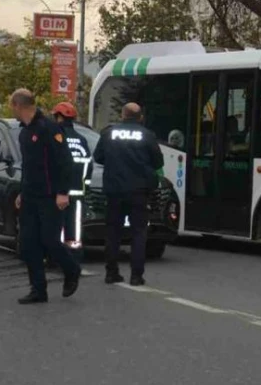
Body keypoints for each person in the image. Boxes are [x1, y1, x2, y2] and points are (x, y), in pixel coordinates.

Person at [10, 88, 81, 305]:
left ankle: (71, 270)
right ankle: (38, 289)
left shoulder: (49, 128)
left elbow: (65, 162)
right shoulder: (24, 132)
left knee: (50, 241)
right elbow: (29, 168)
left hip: (51, 196)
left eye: (11, 106)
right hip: (31, 196)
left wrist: (62, 193)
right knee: (28, 243)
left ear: (18, 105)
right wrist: (23, 191)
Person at [94, 102, 164, 286]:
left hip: (114, 190)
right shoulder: (147, 135)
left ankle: (111, 273)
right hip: (139, 191)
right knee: (139, 233)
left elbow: (98, 157)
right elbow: (158, 162)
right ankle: (136, 276)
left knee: (113, 232)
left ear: (122, 115)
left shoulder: (109, 133)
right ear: (140, 117)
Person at [52, 101, 92, 260]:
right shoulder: (82, 139)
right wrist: (85, 186)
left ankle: (57, 257)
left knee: (57, 225)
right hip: (78, 192)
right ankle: (74, 256)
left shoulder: (57, 138)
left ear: (59, 117)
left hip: (59, 192)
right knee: (74, 227)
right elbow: (89, 165)